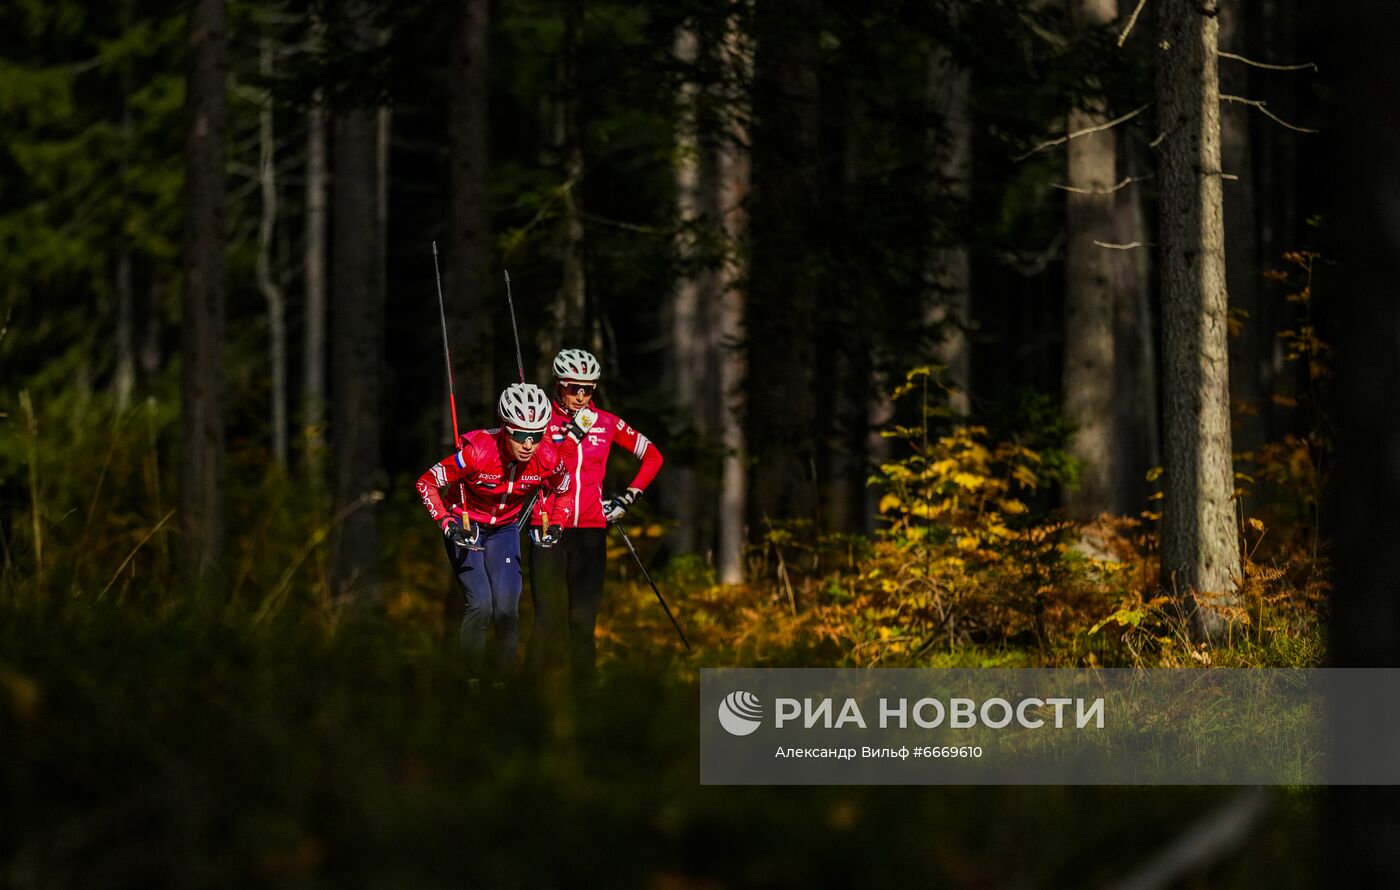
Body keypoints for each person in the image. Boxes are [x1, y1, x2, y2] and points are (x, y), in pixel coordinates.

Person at [416, 383, 570, 678]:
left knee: (507, 611)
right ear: (504, 427)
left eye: (536, 435)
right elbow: (426, 482)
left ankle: (501, 686)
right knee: (482, 605)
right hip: (467, 525)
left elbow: (563, 491)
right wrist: (447, 523)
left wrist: (557, 522)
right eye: (520, 435)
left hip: (504, 530)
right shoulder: (477, 453)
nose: (529, 444)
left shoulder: (548, 457)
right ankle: (470, 684)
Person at [527, 348, 663, 680]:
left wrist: (627, 498)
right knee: (547, 620)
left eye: (588, 388)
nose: (581, 395)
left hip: (590, 529)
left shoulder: (607, 423)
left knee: (583, 622)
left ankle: (586, 705)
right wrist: (568, 436)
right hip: (547, 528)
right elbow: (537, 467)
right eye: (574, 387)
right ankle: (524, 698)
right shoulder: (541, 420)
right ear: (559, 384)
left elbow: (654, 457)